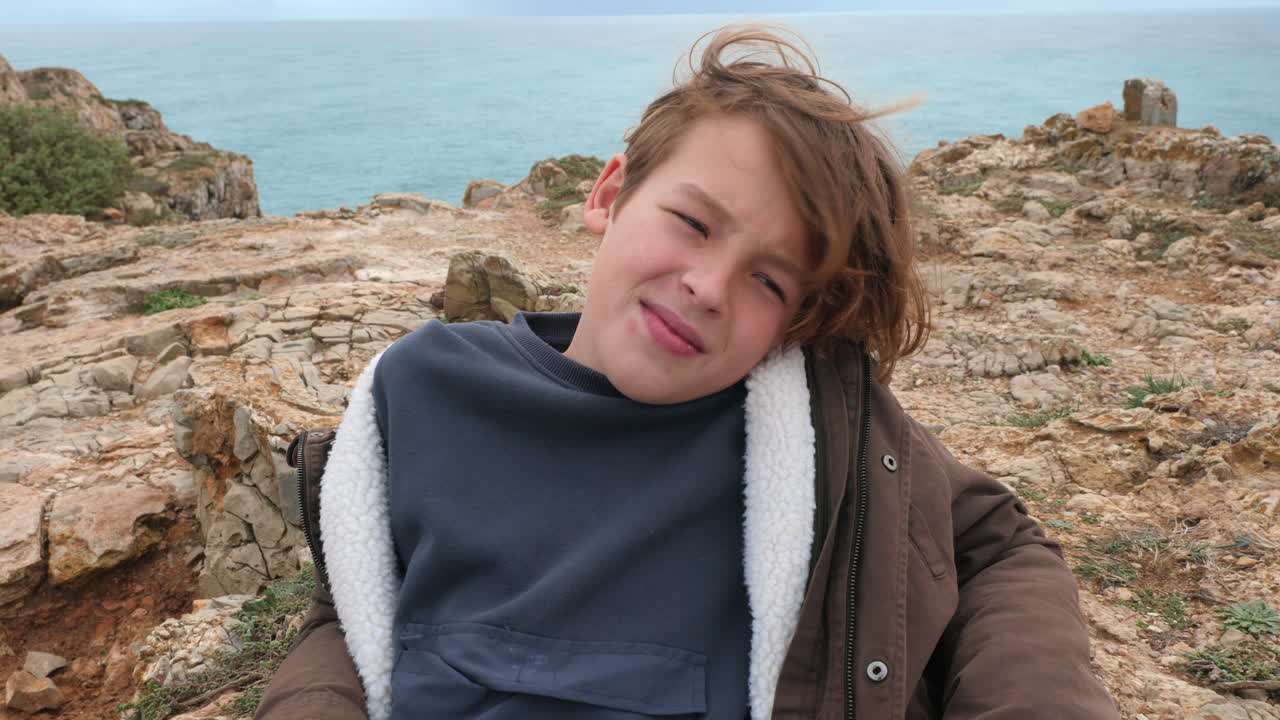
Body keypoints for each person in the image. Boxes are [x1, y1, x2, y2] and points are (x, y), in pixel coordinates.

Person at [254, 24, 1120, 720]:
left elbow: (999, 545)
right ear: (610, 194)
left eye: (770, 281)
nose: (709, 286)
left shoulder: (816, 430)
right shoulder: (424, 387)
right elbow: (354, 611)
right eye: (694, 224)